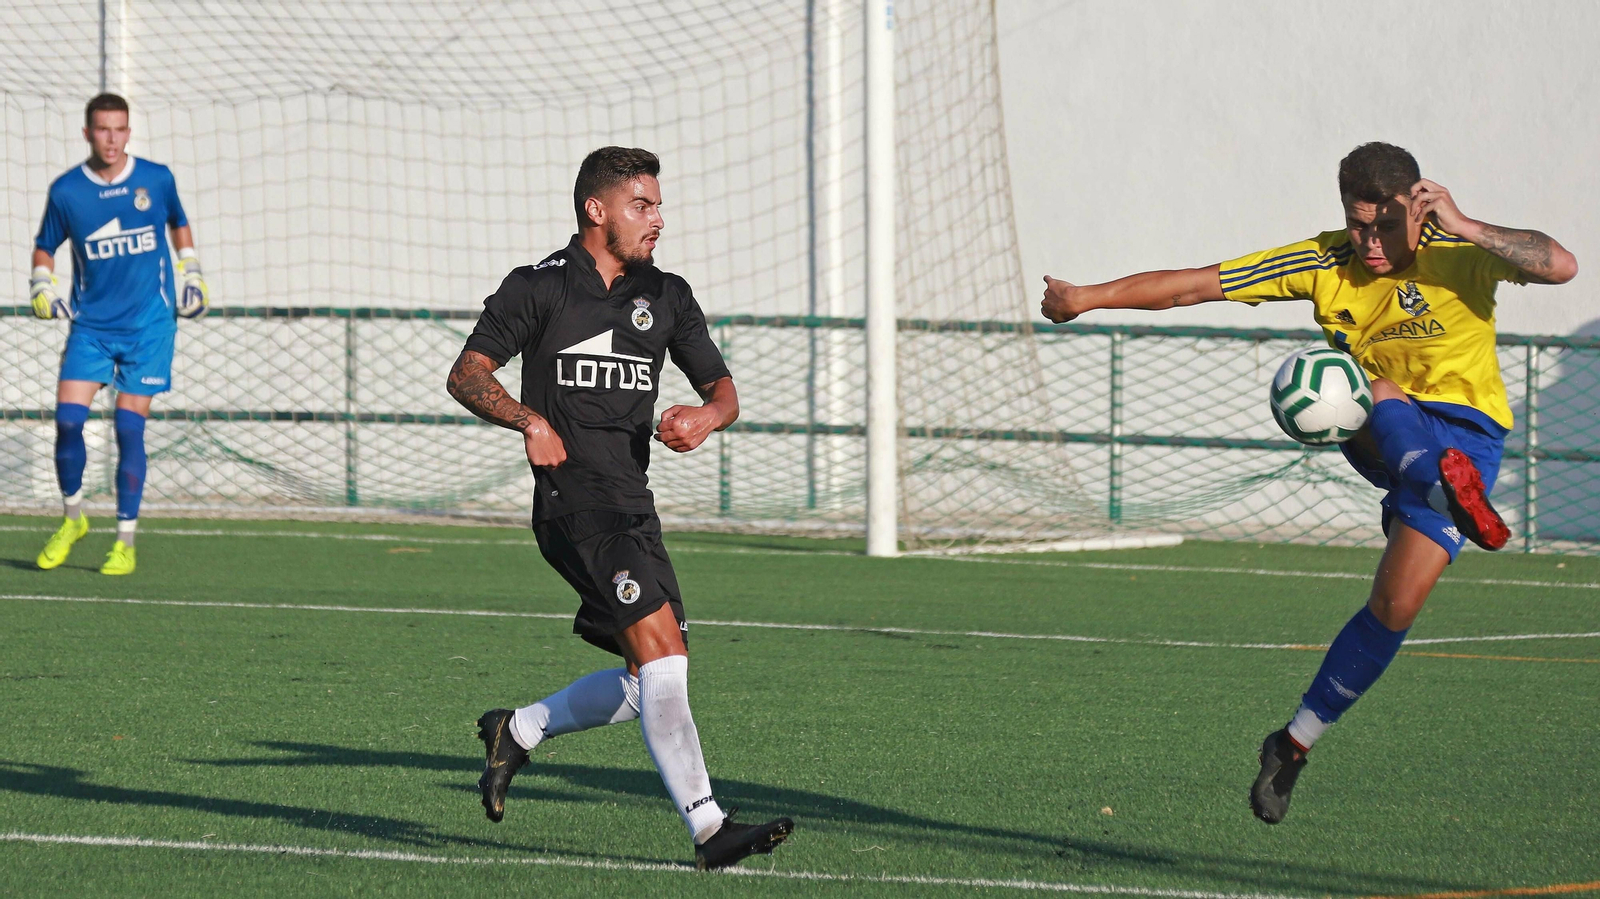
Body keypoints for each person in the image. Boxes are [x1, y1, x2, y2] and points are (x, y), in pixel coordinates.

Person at [1040, 142, 1577, 824]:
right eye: (1358, 225)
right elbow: (1195, 284)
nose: (1371, 243)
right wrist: (1087, 297)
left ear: (1418, 209)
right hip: (1380, 428)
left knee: (1396, 606)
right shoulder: (1325, 262)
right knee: (1374, 383)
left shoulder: (1460, 248)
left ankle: (1292, 745)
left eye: (1385, 227)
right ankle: (1437, 485)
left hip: (1469, 442)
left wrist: (1466, 223)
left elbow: (1562, 265)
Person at [446, 146, 793, 868]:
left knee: (647, 679)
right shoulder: (537, 287)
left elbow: (724, 392)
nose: (658, 219)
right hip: (573, 503)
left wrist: (706, 417)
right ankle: (709, 827)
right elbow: (467, 373)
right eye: (643, 205)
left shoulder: (666, 295)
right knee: (663, 654)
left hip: (634, 506)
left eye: (659, 205)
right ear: (595, 210)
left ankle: (519, 727)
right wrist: (528, 420)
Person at [31, 93, 210, 576]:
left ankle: (124, 541)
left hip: (149, 326)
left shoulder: (156, 178)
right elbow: (45, 246)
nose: (112, 138)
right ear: (87, 133)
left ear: (129, 131)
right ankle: (73, 519)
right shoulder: (68, 191)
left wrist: (191, 273)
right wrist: (41, 285)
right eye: (102, 129)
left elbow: (179, 222)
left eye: (120, 129)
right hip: (90, 326)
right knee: (67, 420)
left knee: (128, 428)